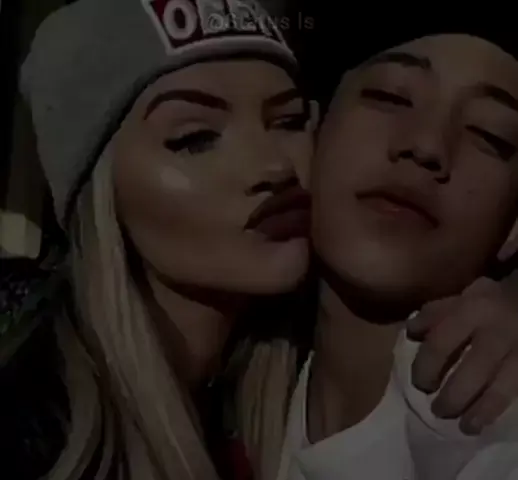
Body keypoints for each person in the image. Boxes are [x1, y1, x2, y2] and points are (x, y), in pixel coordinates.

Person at [14, 0, 317, 478]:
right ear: (101, 195)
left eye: (289, 122)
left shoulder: (302, 377)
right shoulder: (37, 438)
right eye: (196, 138)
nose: (276, 167)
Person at [275, 31, 518, 480]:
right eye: (390, 97)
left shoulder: (494, 437)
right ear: (310, 131)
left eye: (490, 134)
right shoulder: (233, 397)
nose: (426, 146)